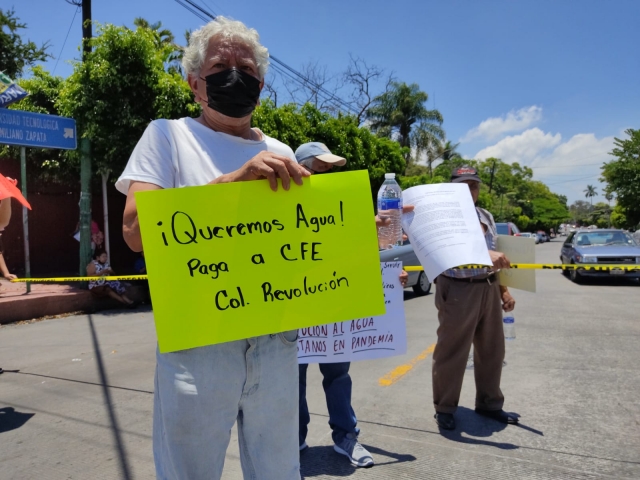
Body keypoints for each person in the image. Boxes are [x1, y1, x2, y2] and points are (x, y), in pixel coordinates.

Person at [116, 16, 310, 480]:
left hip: (275, 343)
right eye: (221, 65)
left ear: (260, 87)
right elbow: (136, 230)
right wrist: (231, 183)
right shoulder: (167, 136)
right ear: (194, 83)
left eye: (246, 68)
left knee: (279, 471)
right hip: (199, 344)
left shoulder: (282, 151)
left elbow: (303, 245)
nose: (235, 75)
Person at [295, 142, 410, 468]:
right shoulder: (279, 207)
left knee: (338, 377)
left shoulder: (345, 209)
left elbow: (362, 255)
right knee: (293, 380)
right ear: (299, 168)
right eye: (319, 169)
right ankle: (294, 440)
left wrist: (389, 270)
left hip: (336, 311)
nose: (327, 175)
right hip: (298, 312)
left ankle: (346, 436)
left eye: (331, 170)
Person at [432, 166, 517, 430]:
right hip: (459, 288)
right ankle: (444, 408)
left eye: (474, 186)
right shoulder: (444, 218)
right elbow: (447, 250)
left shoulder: (486, 216)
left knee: (493, 350)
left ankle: (490, 403)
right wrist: (483, 255)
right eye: (464, 185)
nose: (470, 191)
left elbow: (497, 254)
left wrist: (503, 290)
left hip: (488, 286)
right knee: (453, 351)